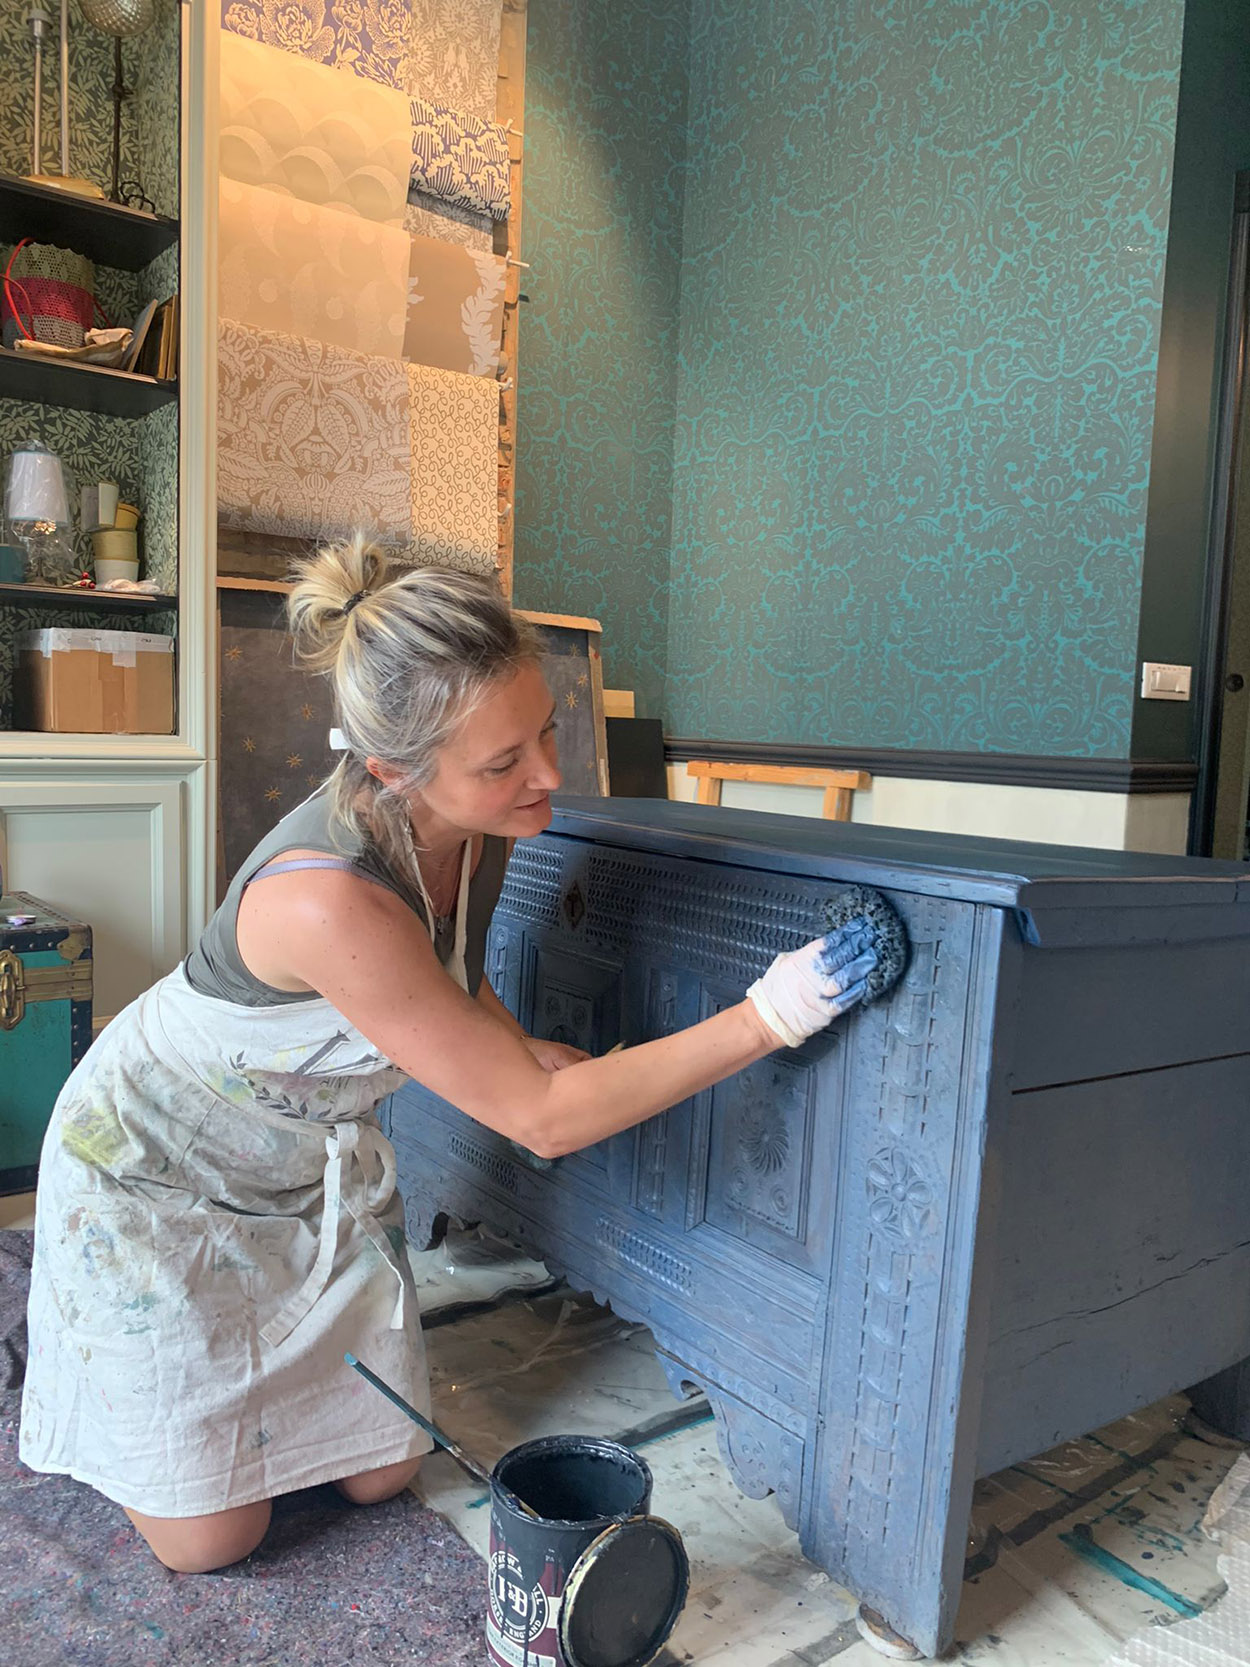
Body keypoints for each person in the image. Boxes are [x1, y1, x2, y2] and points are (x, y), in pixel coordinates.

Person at [20, 540, 876, 1575]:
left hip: (298, 1167)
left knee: (382, 1468)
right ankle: (102, 1373)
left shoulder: (476, 824)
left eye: (545, 731)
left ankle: (210, 1396)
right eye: (503, 762)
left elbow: (450, 972)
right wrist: (769, 1015)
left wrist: (510, 1046)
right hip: (156, 1169)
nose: (548, 774)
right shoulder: (327, 899)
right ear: (392, 769)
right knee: (215, 1540)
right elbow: (541, 1122)